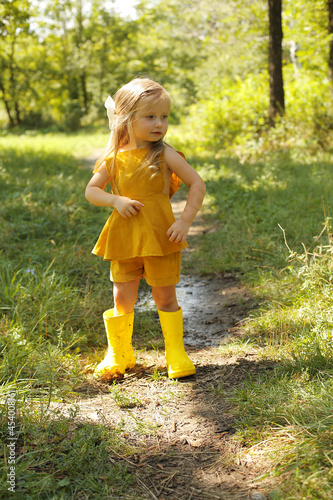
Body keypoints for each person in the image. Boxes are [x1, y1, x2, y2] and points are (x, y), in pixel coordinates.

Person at [85, 77, 206, 380]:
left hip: (160, 235)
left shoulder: (164, 154)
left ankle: (175, 352)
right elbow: (91, 191)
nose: (159, 124)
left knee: (165, 296)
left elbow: (197, 184)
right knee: (122, 297)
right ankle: (119, 352)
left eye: (164, 117)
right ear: (126, 119)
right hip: (124, 237)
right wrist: (115, 200)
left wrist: (184, 220)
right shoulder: (114, 158)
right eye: (150, 116)